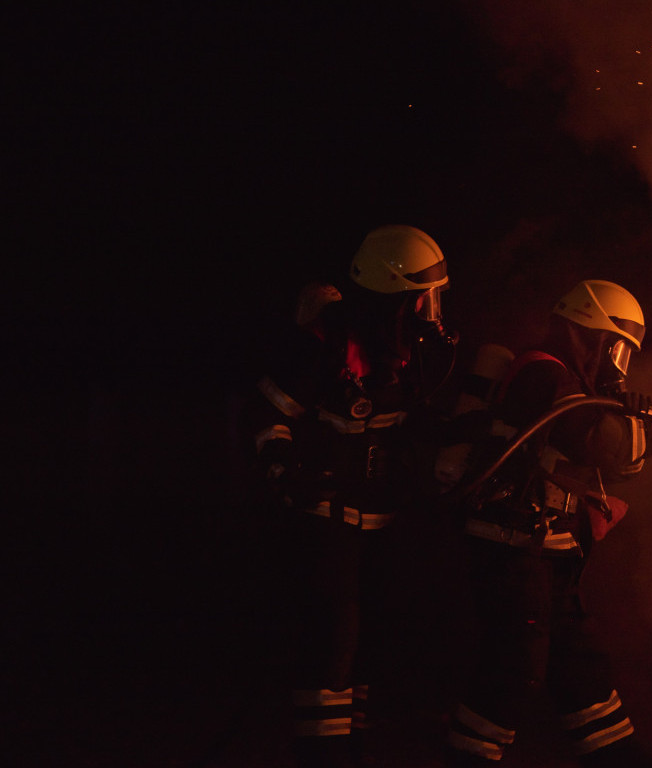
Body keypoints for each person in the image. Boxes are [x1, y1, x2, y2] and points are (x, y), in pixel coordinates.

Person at [444, 279, 652, 768]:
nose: (619, 366)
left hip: (550, 550)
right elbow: (601, 443)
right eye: (618, 351)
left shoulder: (572, 383)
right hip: (512, 549)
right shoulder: (542, 374)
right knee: (514, 671)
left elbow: (609, 452)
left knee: (581, 670)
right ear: (593, 338)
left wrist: (648, 426)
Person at [249, 224, 458, 768]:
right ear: (394, 300)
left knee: (371, 648)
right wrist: (282, 468)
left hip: (383, 528)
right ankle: (322, 756)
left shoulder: (408, 354)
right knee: (332, 650)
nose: (432, 314)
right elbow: (271, 417)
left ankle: (350, 750)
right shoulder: (325, 348)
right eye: (423, 301)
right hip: (329, 522)